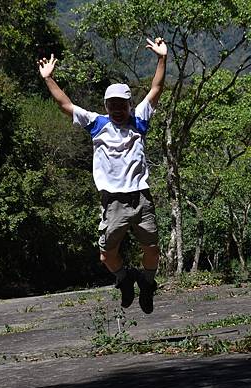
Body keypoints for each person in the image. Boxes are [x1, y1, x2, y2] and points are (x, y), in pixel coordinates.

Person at [37, 37, 167, 314]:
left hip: (140, 198)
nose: (117, 110)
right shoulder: (97, 123)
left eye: (121, 105)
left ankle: (147, 283)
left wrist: (162, 58)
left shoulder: (140, 120)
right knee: (106, 255)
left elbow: (156, 88)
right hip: (113, 202)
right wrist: (49, 79)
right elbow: (66, 105)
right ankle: (124, 278)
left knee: (153, 249)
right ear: (106, 105)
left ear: (129, 104)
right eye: (112, 105)